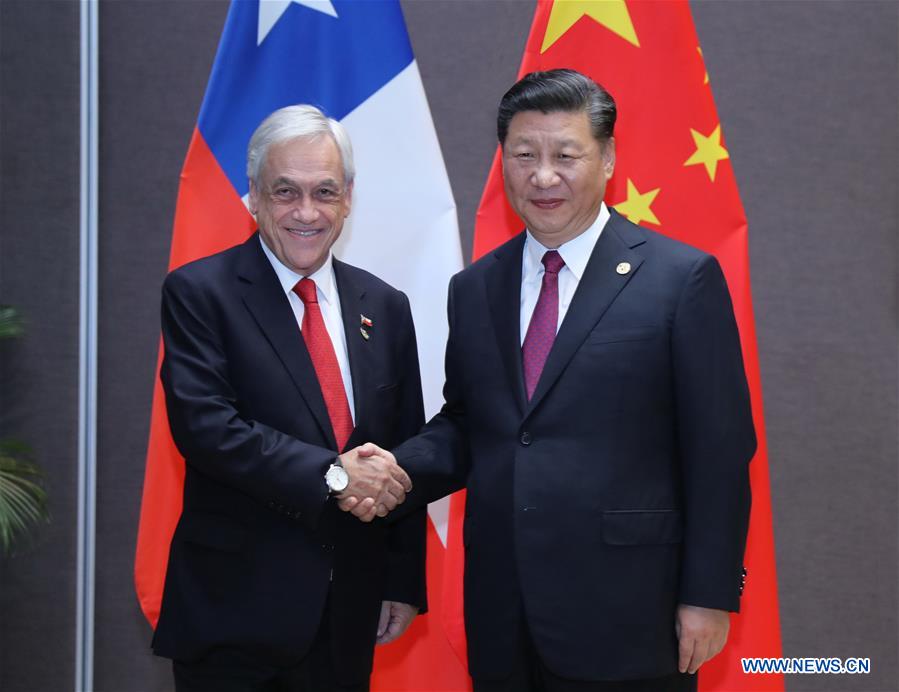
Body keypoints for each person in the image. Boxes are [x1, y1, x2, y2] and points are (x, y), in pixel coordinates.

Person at [341, 69, 755, 691]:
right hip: (503, 610)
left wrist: (709, 592)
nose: (542, 176)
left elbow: (720, 449)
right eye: (524, 155)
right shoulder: (476, 287)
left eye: (565, 155)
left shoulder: (680, 279)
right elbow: (469, 425)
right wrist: (393, 470)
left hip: (631, 611)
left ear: (607, 158)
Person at [151, 104, 427, 692]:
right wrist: (334, 475)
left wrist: (401, 579)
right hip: (234, 616)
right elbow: (207, 429)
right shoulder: (200, 293)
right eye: (285, 192)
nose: (307, 212)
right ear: (253, 196)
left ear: (347, 199)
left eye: (324, 191)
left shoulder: (385, 305)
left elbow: (401, 448)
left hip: (348, 611)